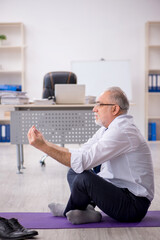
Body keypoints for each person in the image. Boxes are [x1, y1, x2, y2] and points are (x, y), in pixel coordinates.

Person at [27, 86, 154, 225]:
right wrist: (46, 143)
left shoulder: (122, 130)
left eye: (99, 104)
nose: (94, 109)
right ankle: (86, 210)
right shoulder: (107, 129)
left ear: (115, 109)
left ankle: (69, 210)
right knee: (74, 171)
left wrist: (43, 147)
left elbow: (84, 162)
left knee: (83, 177)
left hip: (133, 206)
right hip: (119, 192)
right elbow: (80, 153)